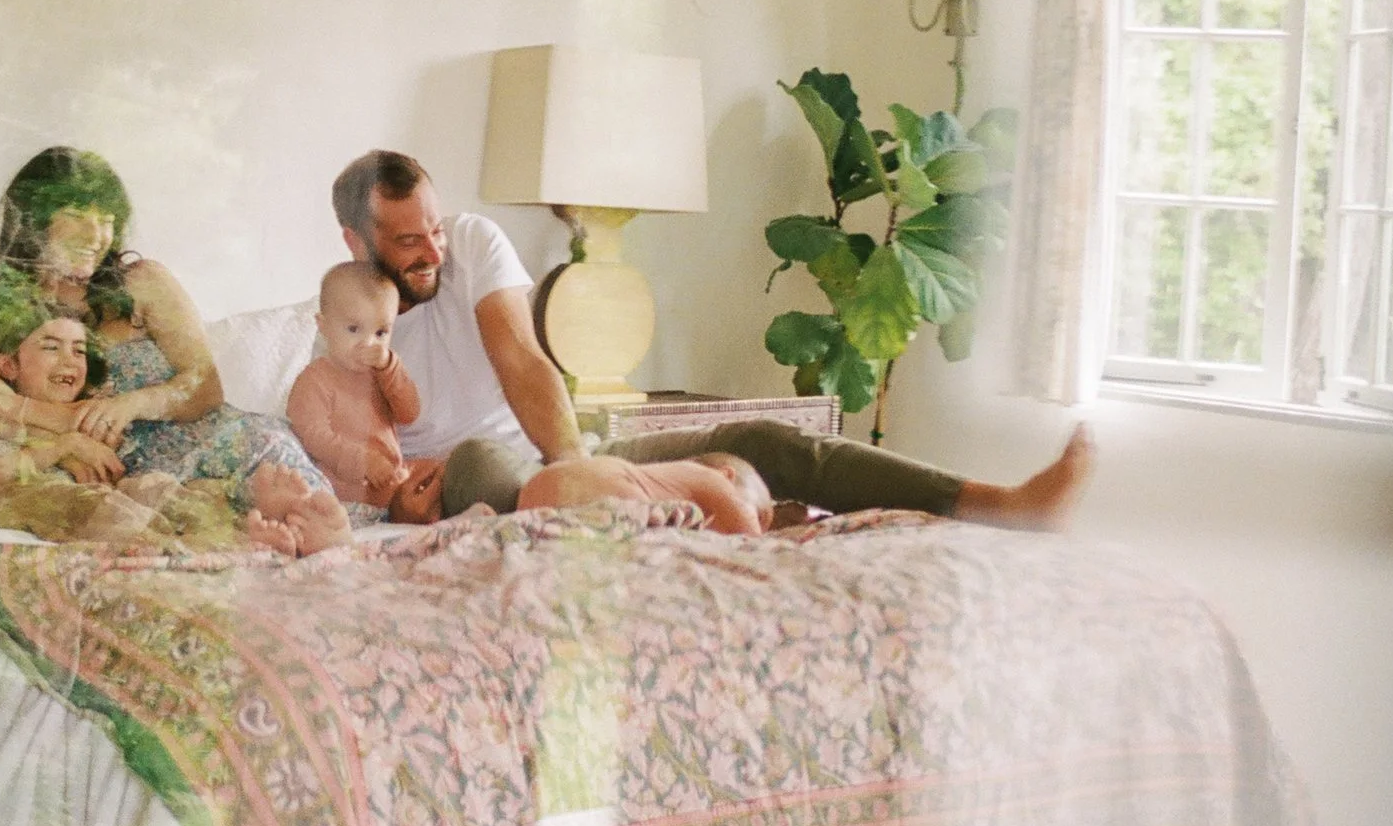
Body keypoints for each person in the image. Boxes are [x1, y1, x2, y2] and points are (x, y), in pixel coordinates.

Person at [329, 148, 1093, 525]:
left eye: (434, 227)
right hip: (483, 488)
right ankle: (707, 504)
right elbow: (355, 469)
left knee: (764, 438)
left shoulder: (470, 242)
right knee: (481, 462)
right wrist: (398, 506)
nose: (433, 251)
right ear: (357, 241)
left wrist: (575, 461)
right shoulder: (341, 326)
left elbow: (521, 358)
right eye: (408, 241)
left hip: (562, 460)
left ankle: (995, 502)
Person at [0, 145, 346, 522]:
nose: (96, 235)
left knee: (296, 501)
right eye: (78, 215)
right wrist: (70, 441)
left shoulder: (143, 282)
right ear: (34, 219)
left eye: (107, 220)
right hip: (122, 478)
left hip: (216, 445)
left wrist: (132, 404)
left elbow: (205, 386)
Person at [0, 269, 346, 554]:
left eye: (79, 351)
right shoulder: (2, 422)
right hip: (95, 504)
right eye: (51, 348)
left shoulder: (89, 413)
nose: (70, 361)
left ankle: (276, 526)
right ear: (7, 365)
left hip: (157, 490)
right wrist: (62, 447)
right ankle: (247, 540)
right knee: (141, 503)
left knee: (178, 493)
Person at [285, 262, 445, 524]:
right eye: (353, 329)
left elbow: (409, 413)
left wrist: (389, 367)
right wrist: (362, 462)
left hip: (393, 487)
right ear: (324, 326)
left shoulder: (381, 374)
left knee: (446, 467)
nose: (368, 343)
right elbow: (313, 436)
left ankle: (467, 516)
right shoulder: (315, 379)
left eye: (381, 332)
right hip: (346, 498)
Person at [515, 452, 773, 536]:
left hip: (536, 497)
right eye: (759, 515)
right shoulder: (708, 477)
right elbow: (744, 526)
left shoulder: (684, 514)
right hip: (600, 484)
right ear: (727, 475)